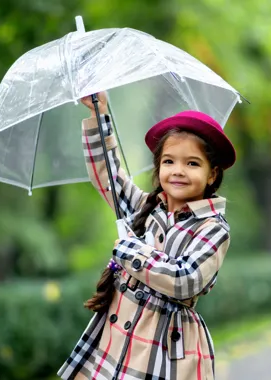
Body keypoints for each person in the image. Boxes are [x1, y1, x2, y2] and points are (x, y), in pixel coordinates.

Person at [58, 92, 236, 380]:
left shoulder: (213, 228)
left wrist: (131, 254)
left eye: (192, 163)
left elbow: (185, 279)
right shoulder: (146, 207)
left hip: (165, 347)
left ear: (212, 174)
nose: (178, 171)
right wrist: (98, 114)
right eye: (169, 161)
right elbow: (108, 175)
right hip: (116, 336)